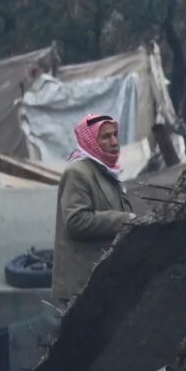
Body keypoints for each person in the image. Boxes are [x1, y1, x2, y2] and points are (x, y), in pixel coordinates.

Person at [51, 112, 138, 307]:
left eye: (115, 134)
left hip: (103, 285)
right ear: (90, 141)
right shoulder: (78, 173)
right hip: (82, 288)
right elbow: (76, 221)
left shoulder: (107, 172)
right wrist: (125, 220)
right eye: (106, 137)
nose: (114, 141)